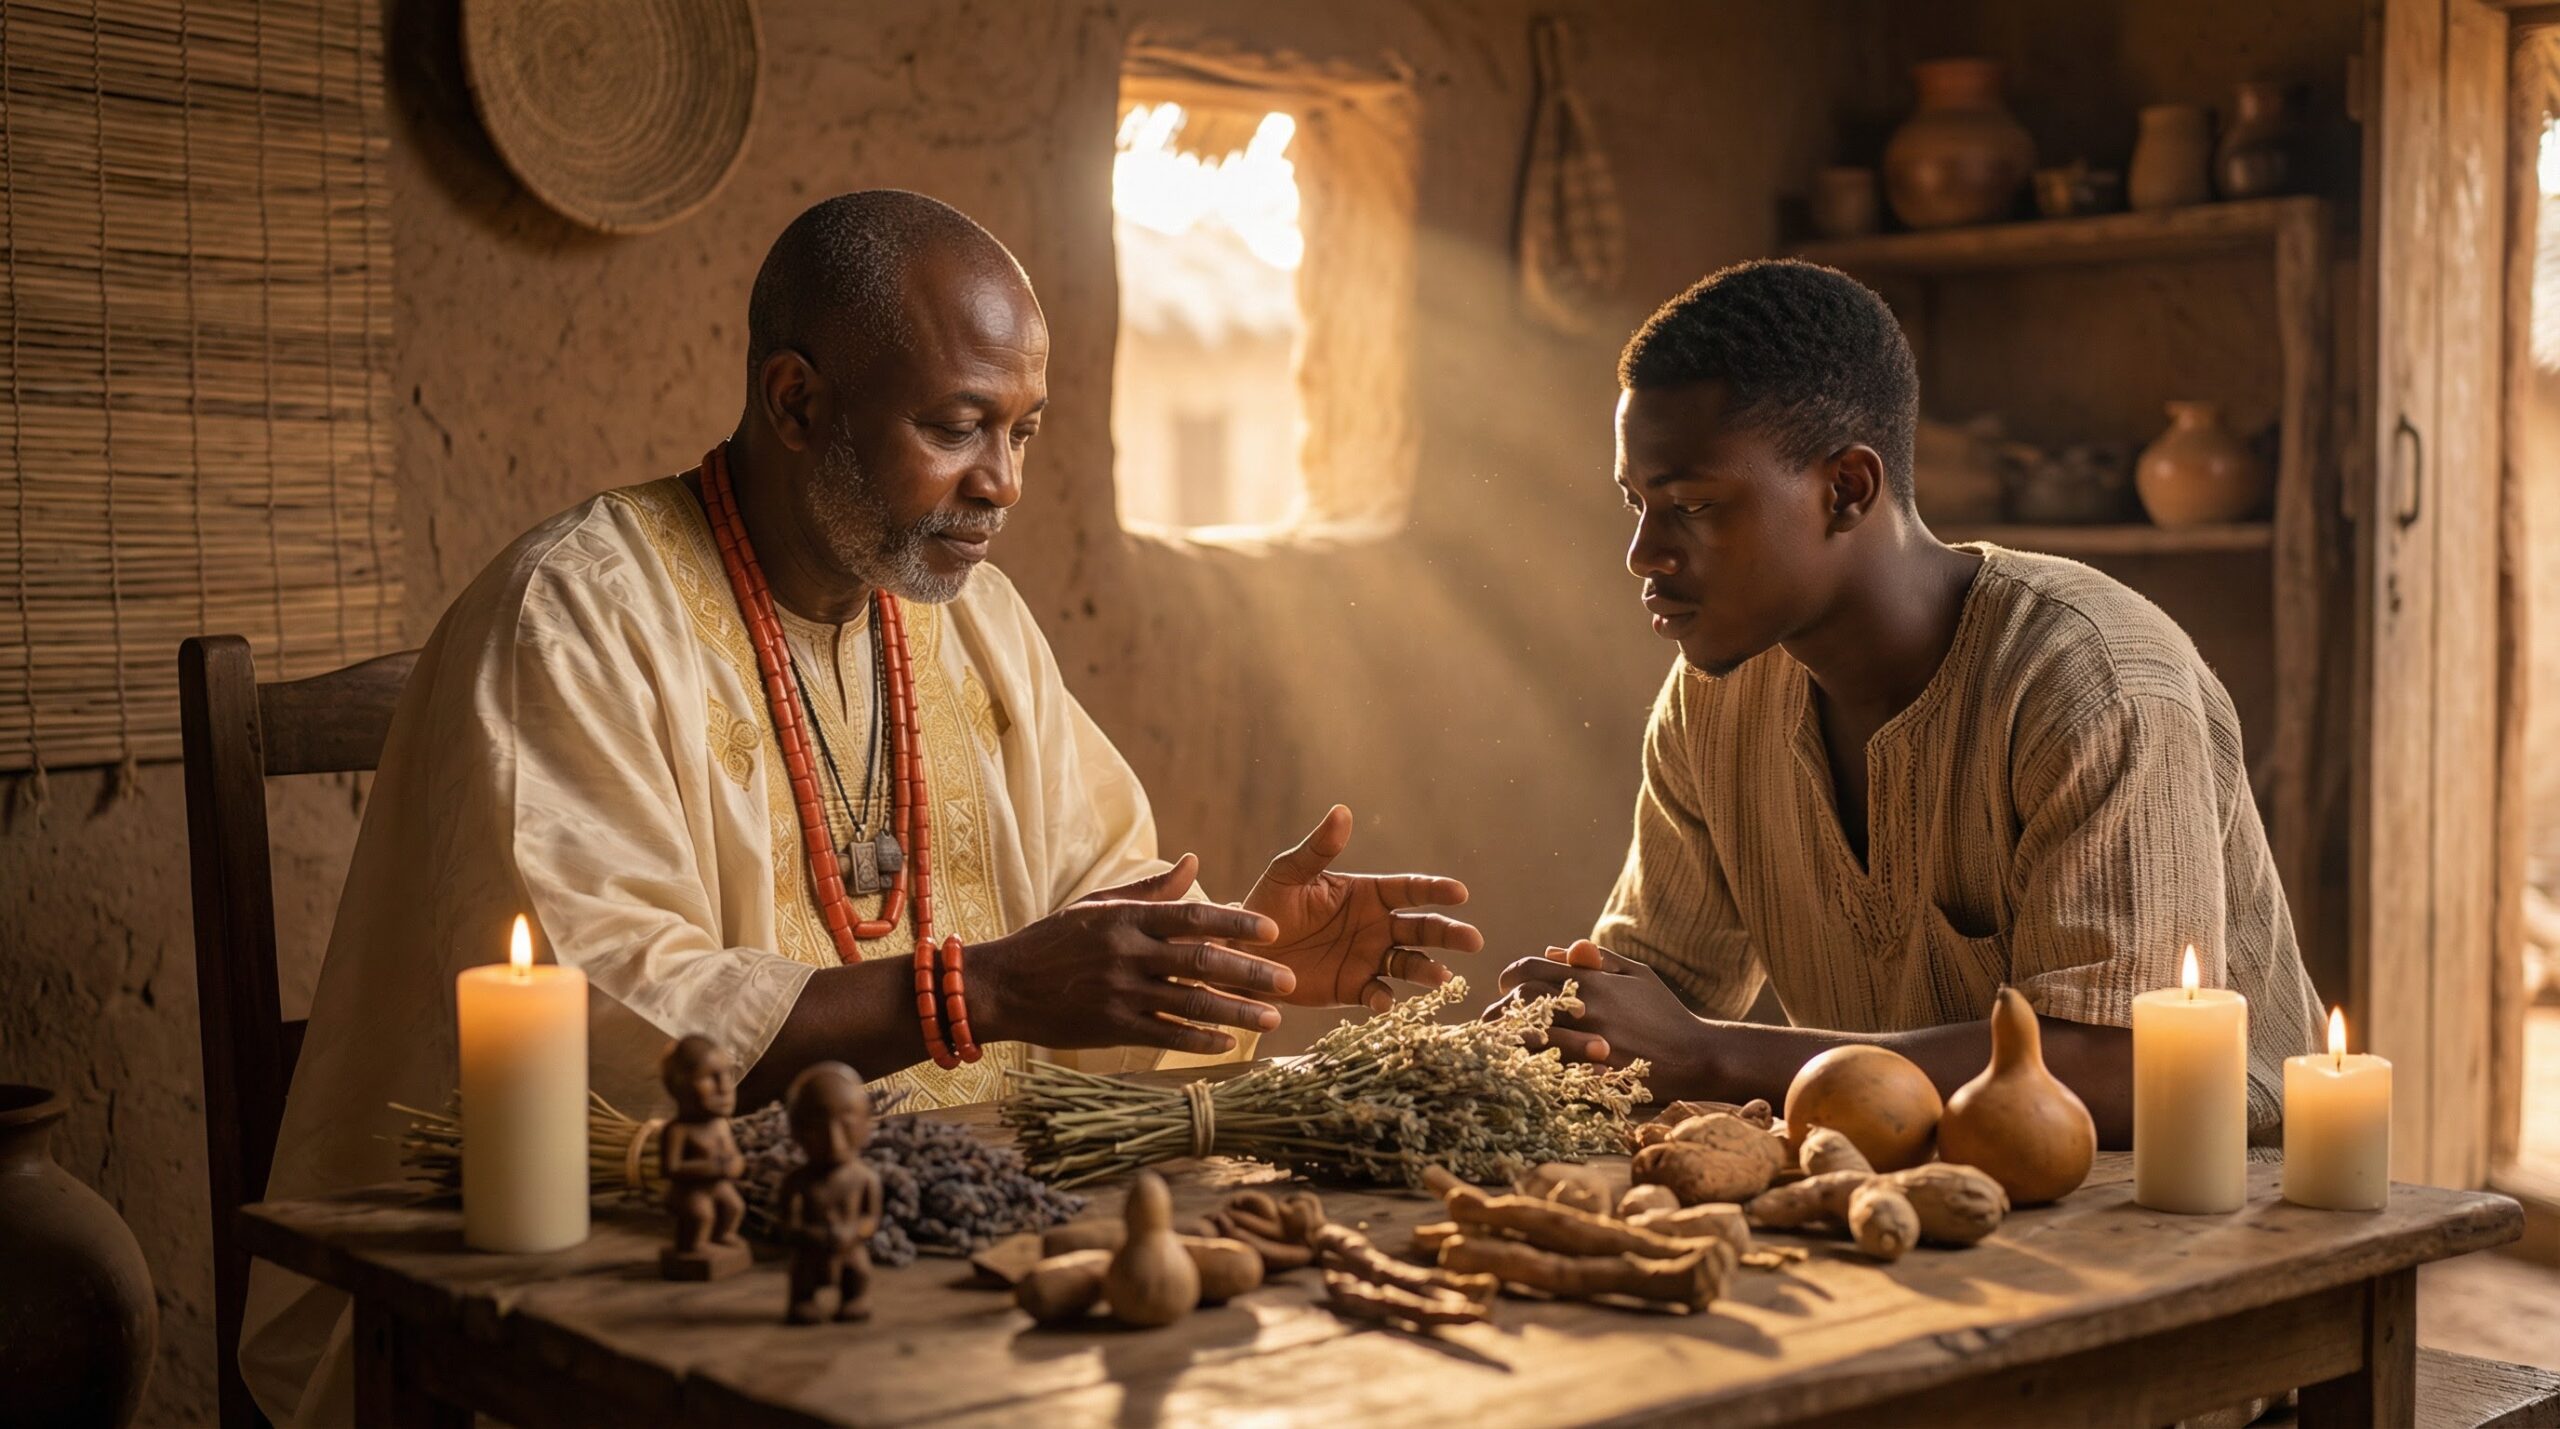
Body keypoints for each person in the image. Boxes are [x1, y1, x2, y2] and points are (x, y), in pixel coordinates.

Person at [241, 190, 1481, 1425]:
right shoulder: (577, 617)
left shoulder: (976, 622)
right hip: (630, 1285)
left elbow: (1087, 907)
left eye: (1024, 432)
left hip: (947, 1262)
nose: (1001, 482)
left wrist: (1233, 950)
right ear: (796, 402)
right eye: (956, 426)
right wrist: (973, 993)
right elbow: (599, 1009)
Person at [1490, 258, 2320, 1147]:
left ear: (1847, 489)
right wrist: (1543, 1032)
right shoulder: (1711, 704)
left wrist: (1711, 1054)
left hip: (2210, 1196)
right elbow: (1655, 1001)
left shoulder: (2093, 677)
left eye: (1691, 504)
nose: (1643, 552)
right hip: (1909, 1186)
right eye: (1636, 502)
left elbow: (2128, 1068)